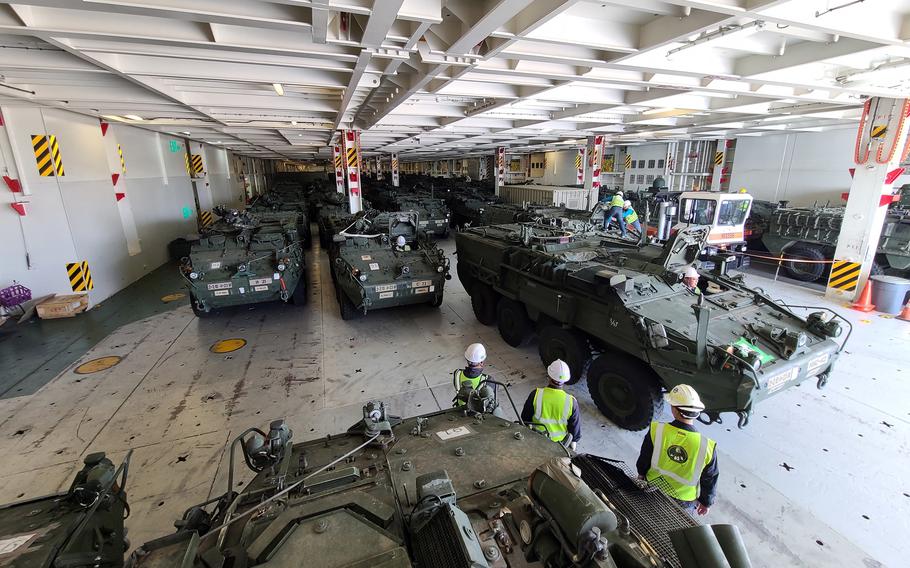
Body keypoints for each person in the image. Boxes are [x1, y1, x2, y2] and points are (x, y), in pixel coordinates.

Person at [636, 385, 718, 517]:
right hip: (684, 501)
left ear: (674, 409)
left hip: (652, 489)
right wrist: (705, 502)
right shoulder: (707, 446)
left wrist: (641, 474)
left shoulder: (657, 430)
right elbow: (710, 479)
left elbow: (644, 458)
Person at [520, 360, 581, 450]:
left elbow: (525, 418)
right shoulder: (571, 402)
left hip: (536, 441)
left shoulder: (536, 394)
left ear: (549, 376)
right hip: (559, 446)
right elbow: (575, 432)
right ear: (565, 380)